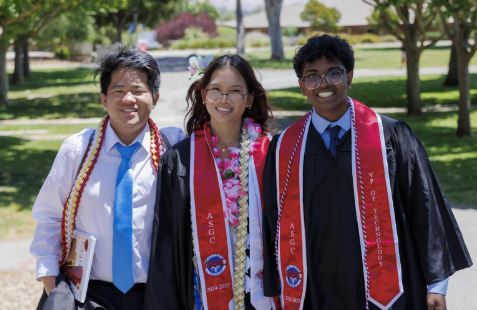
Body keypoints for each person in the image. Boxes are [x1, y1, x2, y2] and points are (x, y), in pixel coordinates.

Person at [262, 34, 472, 310]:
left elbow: (425, 207)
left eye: (333, 73)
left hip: (389, 289)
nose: (323, 83)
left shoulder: (391, 136)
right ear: (302, 86)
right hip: (315, 288)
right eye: (312, 76)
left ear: (349, 76)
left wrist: (436, 285)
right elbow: (271, 223)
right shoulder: (284, 148)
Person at [30, 46, 185, 310]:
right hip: (89, 294)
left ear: (155, 97)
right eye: (117, 91)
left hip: (157, 294)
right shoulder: (78, 149)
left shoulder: (174, 147)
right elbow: (49, 215)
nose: (128, 99)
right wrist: (52, 286)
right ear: (103, 98)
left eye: (138, 90)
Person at [145, 54, 278, 309]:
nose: (223, 100)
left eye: (235, 91)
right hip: (201, 293)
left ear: (250, 98)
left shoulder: (271, 153)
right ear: (203, 94)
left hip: (264, 292)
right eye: (215, 90)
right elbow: (167, 241)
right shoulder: (181, 160)